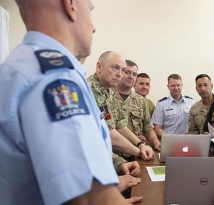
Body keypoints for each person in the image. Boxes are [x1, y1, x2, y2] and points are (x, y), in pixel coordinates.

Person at [0, 0, 140, 204]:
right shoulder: (54, 79)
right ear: (70, 5)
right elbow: (89, 198)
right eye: (90, 12)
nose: (93, 27)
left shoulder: (19, 66)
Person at [88, 51, 154, 161]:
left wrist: (141, 144)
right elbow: (109, 132)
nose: (119, 74)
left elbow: (120, 124)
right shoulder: (92, 89)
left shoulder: (110, 91)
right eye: (115, 68)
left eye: (122, 70)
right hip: (94, 158)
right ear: (99, 67)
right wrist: (139, 151)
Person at [116, 59, 161, 151]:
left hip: (139, 154)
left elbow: (148, 128)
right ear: (119, 73)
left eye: (134, 74)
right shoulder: (106, 97)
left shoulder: (141, 101)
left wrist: (155, 141)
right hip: (113, 155)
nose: (131, 76)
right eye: (127, 72)